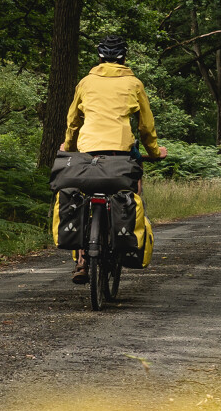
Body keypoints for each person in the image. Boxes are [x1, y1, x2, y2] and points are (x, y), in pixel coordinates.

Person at [60, 35, 167, 282]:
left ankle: (81, 259)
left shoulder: (85, 83)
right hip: (120, 150)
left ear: (99, 58)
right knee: (133, 187)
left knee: (81, 192)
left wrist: (70, 145)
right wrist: (153, 152)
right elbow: (146, 126)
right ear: (124, 59)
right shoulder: (134, 83)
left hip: (88, 150)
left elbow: (73, 120)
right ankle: (127, 236)